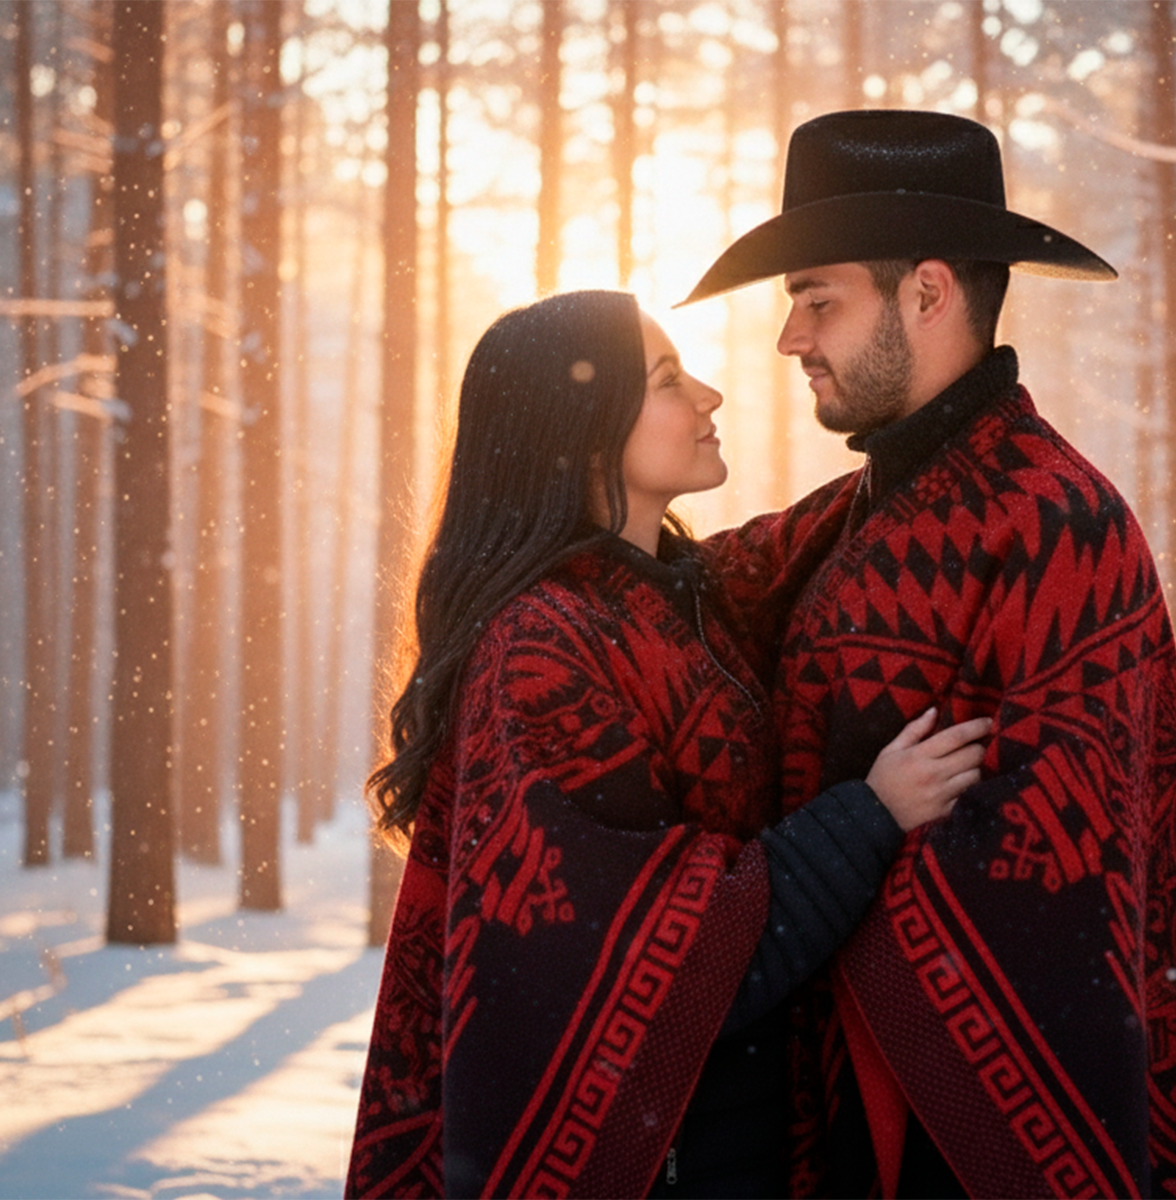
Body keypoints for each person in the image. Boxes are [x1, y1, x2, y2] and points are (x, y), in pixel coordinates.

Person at [684, 111, 1176, 1198]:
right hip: (830, 1114)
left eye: (818, 298)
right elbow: (667, 605)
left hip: (962, 1138)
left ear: (929, 292)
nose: (790, 338)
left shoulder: (1057, 525)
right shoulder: (849, 519)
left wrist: (813, 893)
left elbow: (1055, 898)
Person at [345, 289, 991, 1199]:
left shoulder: (692, 599)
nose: (710, 396)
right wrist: (873, 816)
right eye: (666, 380)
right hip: (663, 1167)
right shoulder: (540, 652)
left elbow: (849, 519)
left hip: (748, 1144)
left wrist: (954, 411)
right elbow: (669, 960)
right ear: (579, 432)